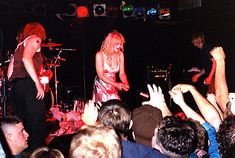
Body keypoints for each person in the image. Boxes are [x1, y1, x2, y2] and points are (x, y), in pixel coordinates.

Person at [7, 22, 47, 151]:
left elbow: (9, 74)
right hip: (28, 86)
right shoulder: (35, 39)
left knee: (24, 125)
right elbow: (26, 59)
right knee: (37, 125)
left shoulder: (20, 45)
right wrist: (37, 83)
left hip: (17, 87)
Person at [92, 30, 130, 103]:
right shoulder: (99, 55)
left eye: (120, 44)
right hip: (101, 85)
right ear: (110, 43)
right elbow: (100, 75)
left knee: (116, 105)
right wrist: (116, 84)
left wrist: (126, 83)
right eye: (117, 44)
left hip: (113, 86)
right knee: (104, 107)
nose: (119, 46)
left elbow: (122, 74)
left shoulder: (120, 55)